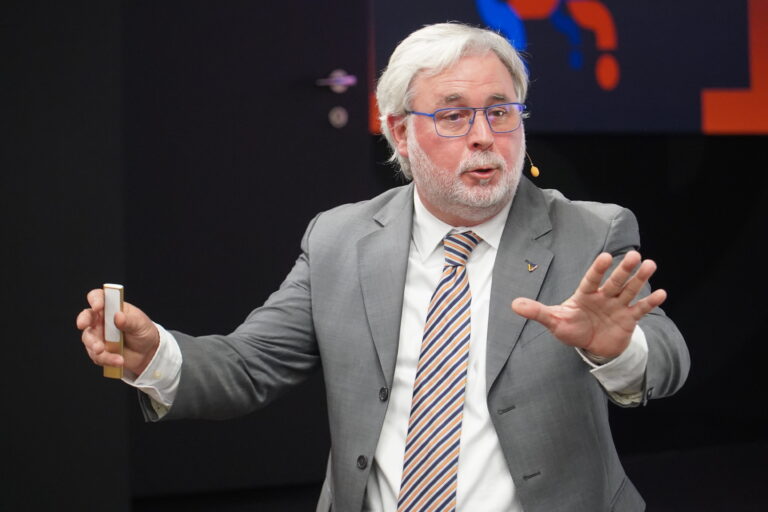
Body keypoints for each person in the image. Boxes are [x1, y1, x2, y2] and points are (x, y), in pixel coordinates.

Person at [77, 22, 689, 512]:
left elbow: (666, 357)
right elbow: (248, 365)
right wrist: (155, 354)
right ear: (399, 133)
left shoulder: (589, 231)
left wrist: (618, 349)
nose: (484, 136)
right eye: (453, 115)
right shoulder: (340, 239)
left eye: (501, 111)